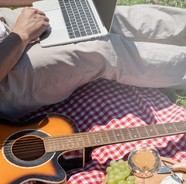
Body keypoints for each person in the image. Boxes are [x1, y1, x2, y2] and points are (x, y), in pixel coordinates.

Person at [0, 1, 186, 120]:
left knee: (97, 14)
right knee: (98, 48)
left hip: (5, 24)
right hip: (5, 73)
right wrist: (22, 35)